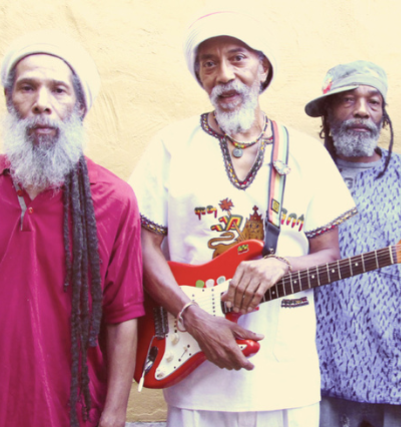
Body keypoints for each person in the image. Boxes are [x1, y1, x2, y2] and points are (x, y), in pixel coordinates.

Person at [128, 9, 356, 427]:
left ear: (262, 68)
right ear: (200, 77)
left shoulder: (305, 154)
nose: (225, 74)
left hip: (286, 376)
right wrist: (194, 318)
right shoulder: (171, 146)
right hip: (193, 375)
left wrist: (281, 263)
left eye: (238, 58)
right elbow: (141, 248)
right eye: (209, 64)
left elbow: (329, 255)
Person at [0, 31, 144, 427]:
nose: (41, 103)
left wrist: (115, 413)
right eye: (27, 88)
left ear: (80, 106)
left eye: (58, 90)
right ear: (10, 100)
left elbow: (122, 316)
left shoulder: (113, 199)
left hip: (72, 411)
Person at [306, 60, 401, 427]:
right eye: (348, 100)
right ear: (327, 111)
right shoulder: (301, 176)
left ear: (383, 115)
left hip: (397, 368)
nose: (362, 110)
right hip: (317, 368)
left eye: (373, 102)